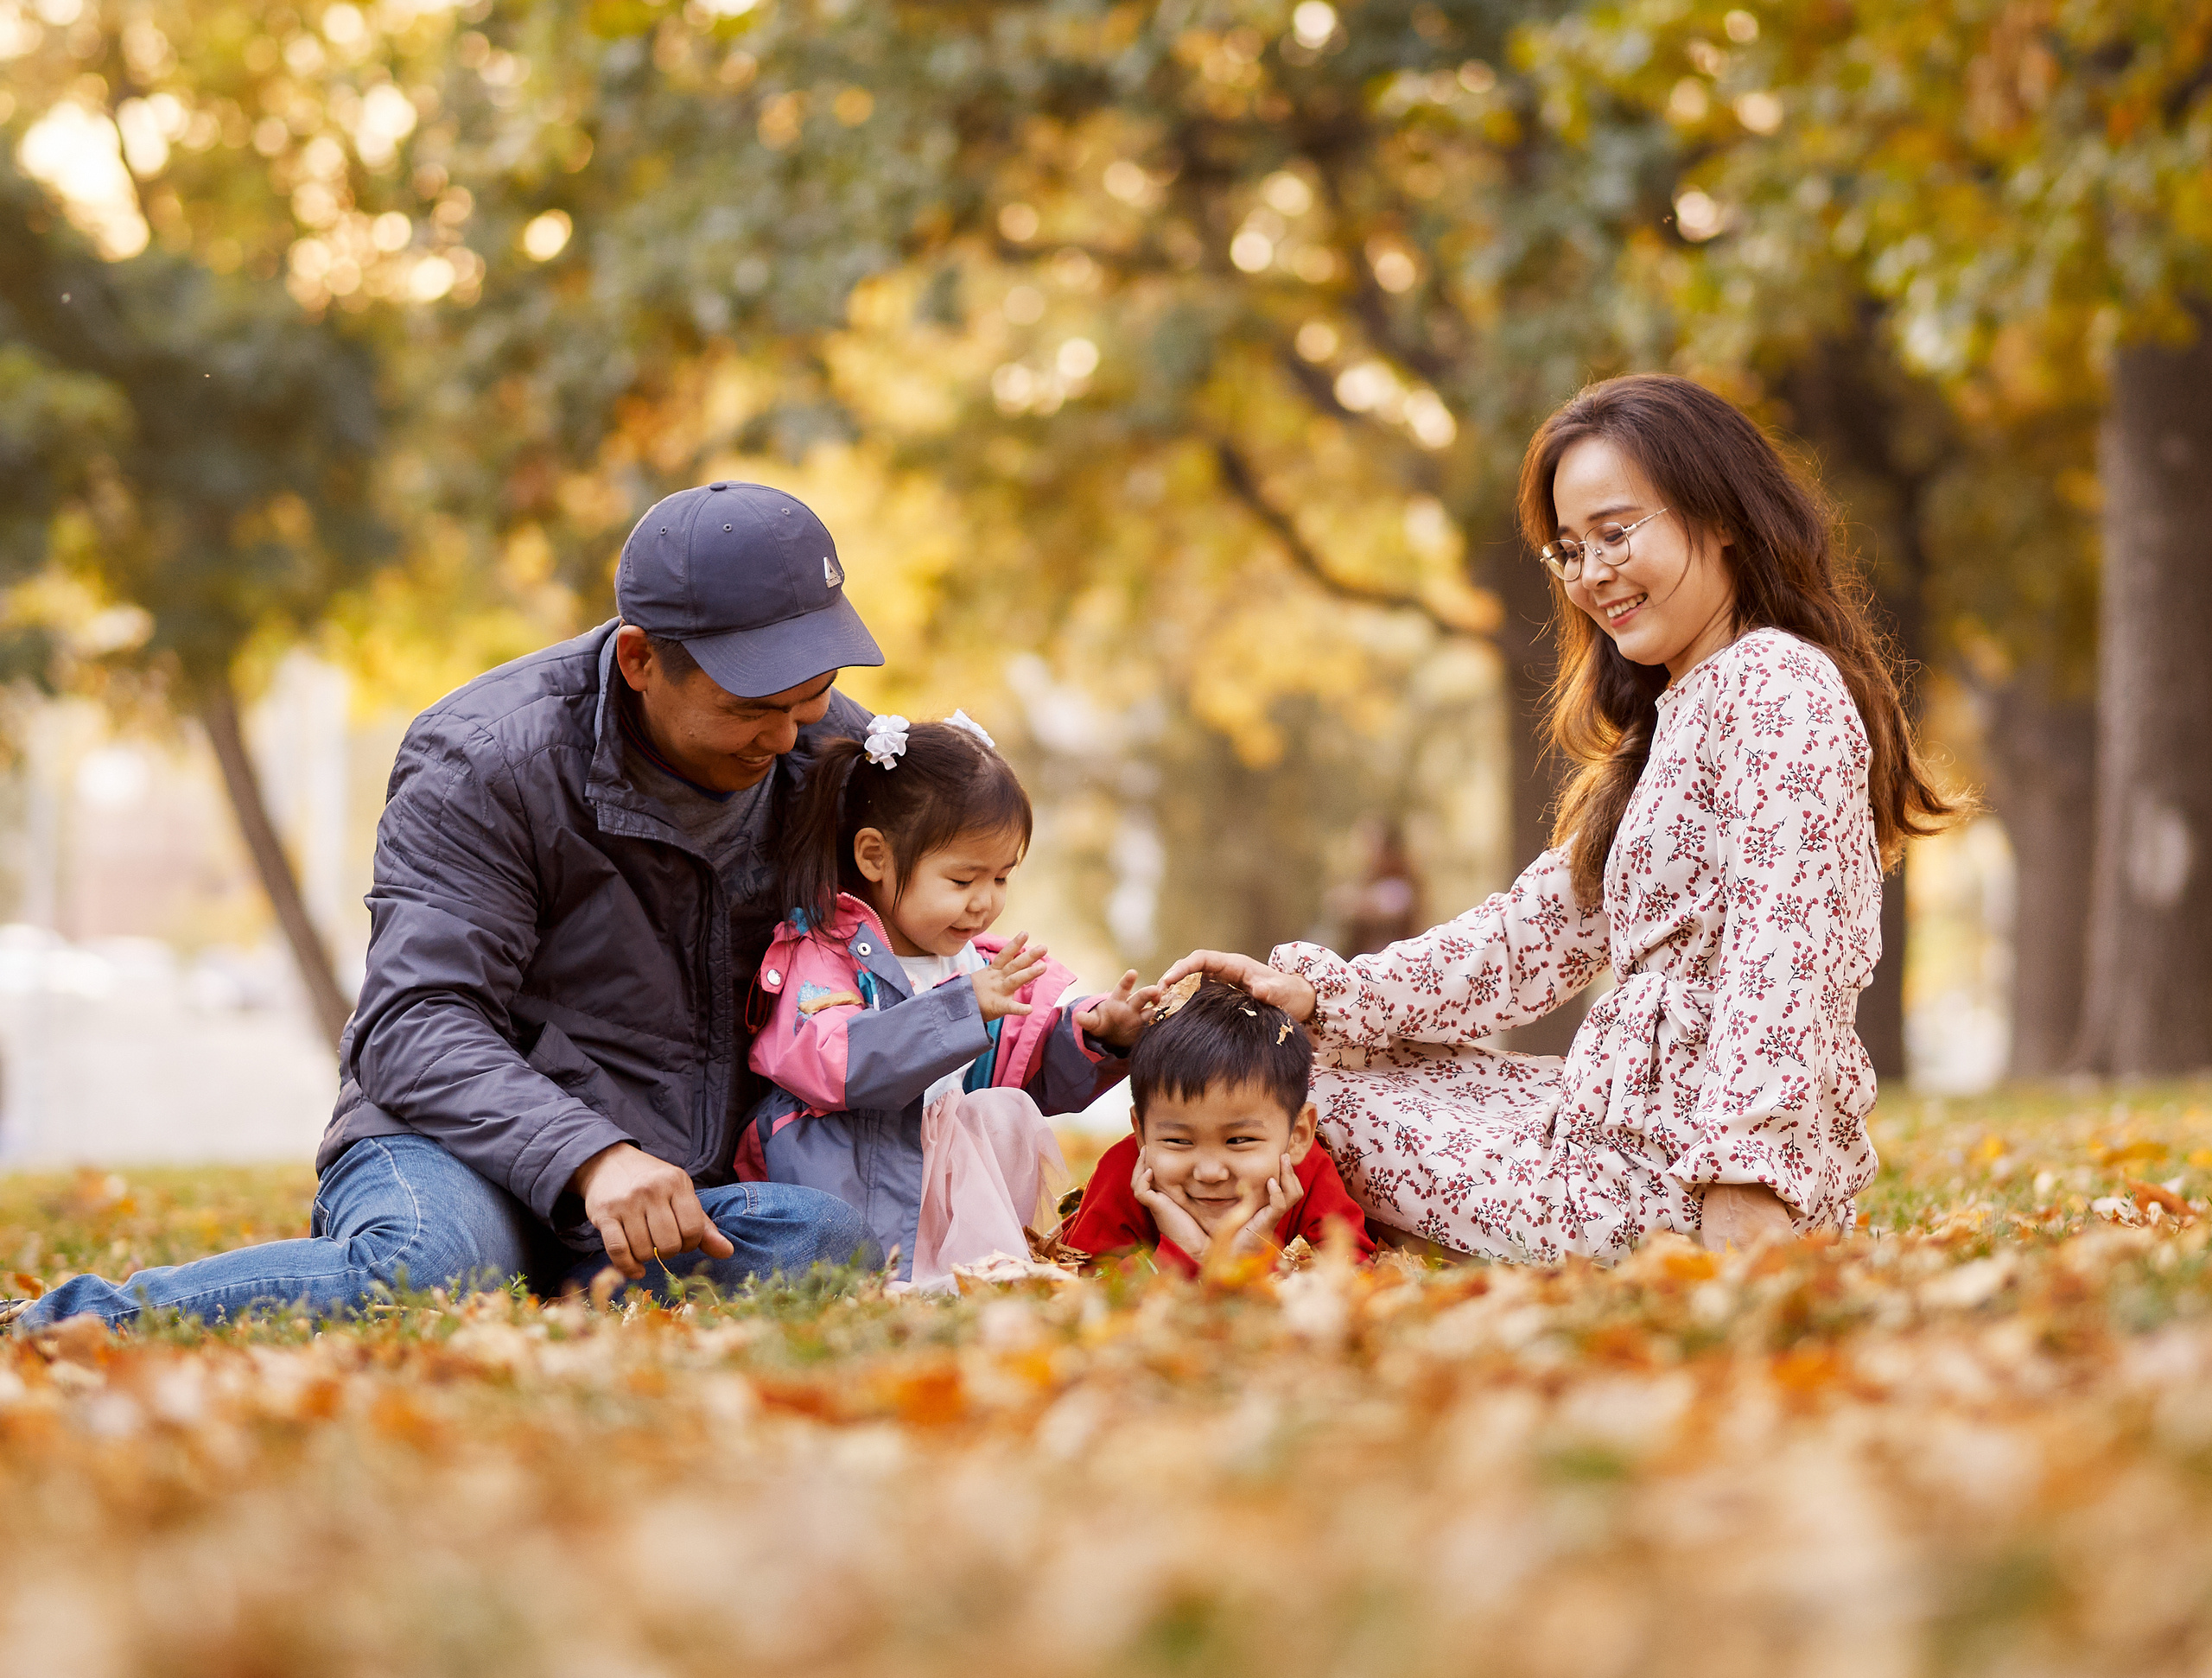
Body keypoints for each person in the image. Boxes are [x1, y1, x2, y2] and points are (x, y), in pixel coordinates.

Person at [3, 483, 887, 1334]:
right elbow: (413, 1022)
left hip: (670, 1183)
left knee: (821, 1240)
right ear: (639, 660)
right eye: (750, 709)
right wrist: (590, 1157)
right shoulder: (485, 759)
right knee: (423, 1268)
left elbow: (930, 920)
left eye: (808, 698)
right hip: (456, 1147)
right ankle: (55, 1323)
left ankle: (536, 1283)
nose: (785, 737)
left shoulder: (833, 748)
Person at [1162, 373, 1955, 1263]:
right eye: (1570, 550)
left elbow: (1786, 947)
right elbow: (1526, 941)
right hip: (1617, 1132)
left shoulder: (1776, 685)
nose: (1593, 574)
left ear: (1721, 514)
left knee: (1284, 1099)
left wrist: (1747, 1178)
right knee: (1311, 1054)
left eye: (1616, 533)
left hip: (1691, 1181)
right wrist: (1321, 995)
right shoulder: (1674, 719)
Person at [744, 712, 1155, 1289]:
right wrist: (963, 1009)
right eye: (963, 881)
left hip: (940, 1166)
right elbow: (836, 1063)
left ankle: (976, 1269)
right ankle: (898, 1278)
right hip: (854, 1171)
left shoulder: (972, 964)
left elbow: (1022, 1065)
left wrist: (1097, 1035)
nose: (985, 902)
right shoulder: (823, 954)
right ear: (874, 857)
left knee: (1004, 1109)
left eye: (1001, 878)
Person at [1059, 978, 1376, 1274]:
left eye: (1238, 1140)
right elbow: (1086, 1283)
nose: (1210, 1173)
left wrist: (1250, 1258)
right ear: (1141, 1133)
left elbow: (1352, 1274)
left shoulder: (1309, 1175)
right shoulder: (1122, 1173)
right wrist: (1189, 1255)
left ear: (1298, 1136)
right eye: (1178, 1141)